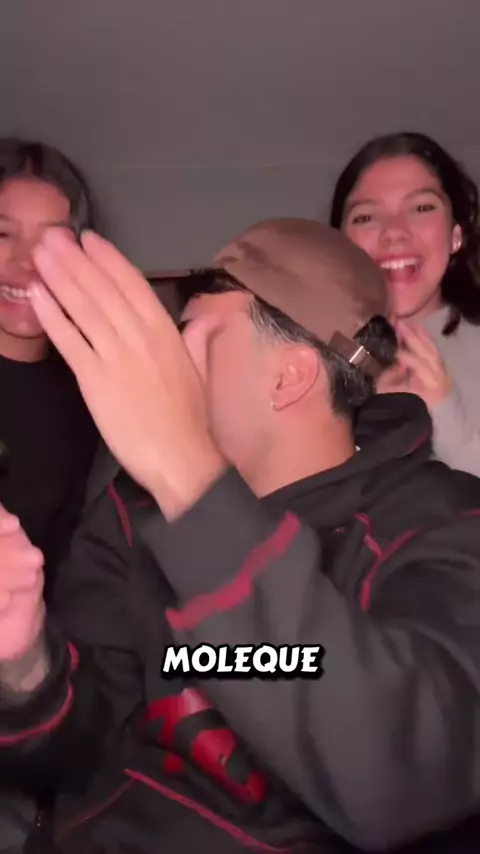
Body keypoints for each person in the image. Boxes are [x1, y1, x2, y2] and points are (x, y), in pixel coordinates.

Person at [1, 220, 480, 854]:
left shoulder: (443, 521)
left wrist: (189, 479)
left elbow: (403, 777)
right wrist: (24, 666)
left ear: (289, 378)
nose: (166, 366)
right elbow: (72, 752)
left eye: (194, 338)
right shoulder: (131, 508)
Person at [0, 138, 99, 852]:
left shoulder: (97, 389)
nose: (25, 264)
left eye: (51, 242)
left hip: (47, 683)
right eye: (3, 236)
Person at [329, 131, 480, 476]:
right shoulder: (309, 356)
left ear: (456, 235)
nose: (394, 232)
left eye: (422, 208)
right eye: (366, 217)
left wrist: (443, 414)